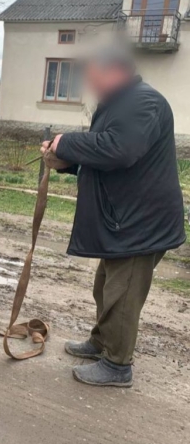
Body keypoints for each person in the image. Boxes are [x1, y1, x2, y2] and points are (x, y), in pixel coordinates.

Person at [41, 46, 186, 388]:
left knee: (122, 294)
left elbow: (120, 149)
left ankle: (118, 365)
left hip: (141, 223)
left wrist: (65, 143)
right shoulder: (121, 103)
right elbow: (106, 157)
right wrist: (68, 163)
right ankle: (102, 342)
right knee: (105, 286)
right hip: (124, 218)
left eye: (94, 78)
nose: (90, 86)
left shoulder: (143, 101)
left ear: (115, 71)